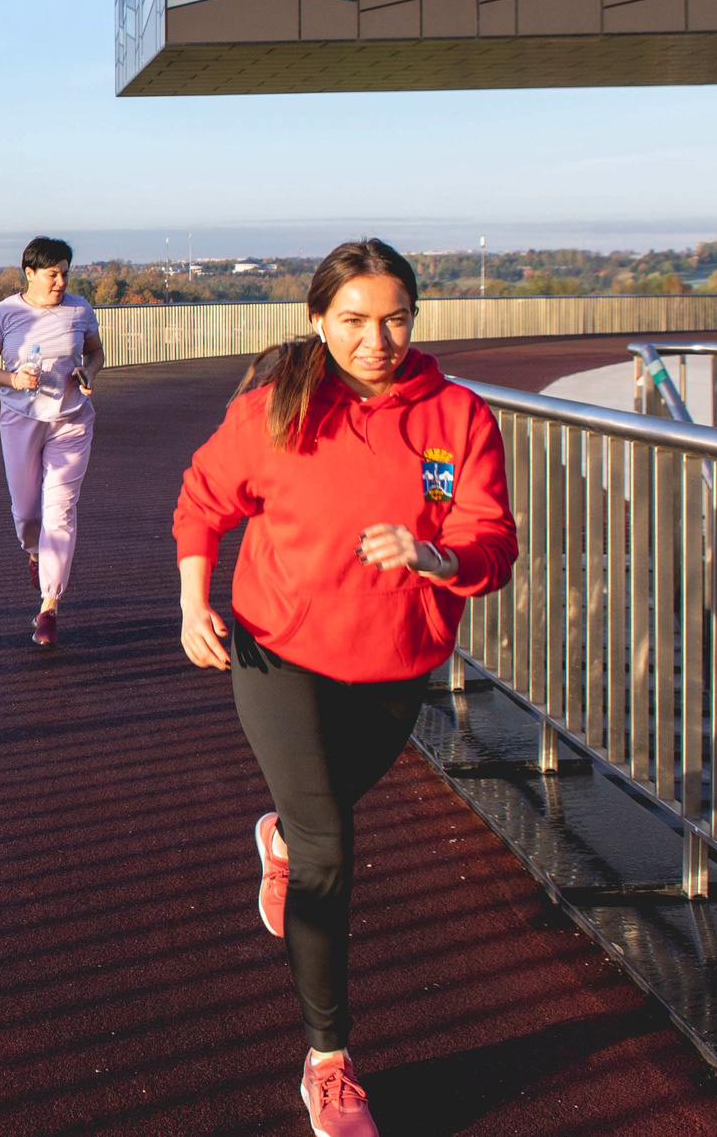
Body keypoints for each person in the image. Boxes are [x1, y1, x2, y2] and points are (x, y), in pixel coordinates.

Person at [172, 239, 515, 1137]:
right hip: (276, 649)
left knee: (317, 817)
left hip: (396, 663)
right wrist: (190, 596)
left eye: (395, 318)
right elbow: (204, 497)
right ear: (319, 322)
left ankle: (278, 832)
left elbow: (491, 542)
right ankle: (330, 1060)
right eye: (355, 320)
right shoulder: (276, 409)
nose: (377, 339)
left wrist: (433, 554)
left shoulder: (458, 416)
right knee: (333, 845)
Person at [0, 236, 104, 648]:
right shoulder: (3, 313)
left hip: (71, 421)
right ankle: (35, 553)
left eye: (66, 273)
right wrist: (13, 379)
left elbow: (96, 353)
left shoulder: (81, 309)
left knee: (60, 510)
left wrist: (89, 373)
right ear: (30, 274)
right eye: (53, 274)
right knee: (27, 513)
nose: (61, 281)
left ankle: (49, 605)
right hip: (20, 419)